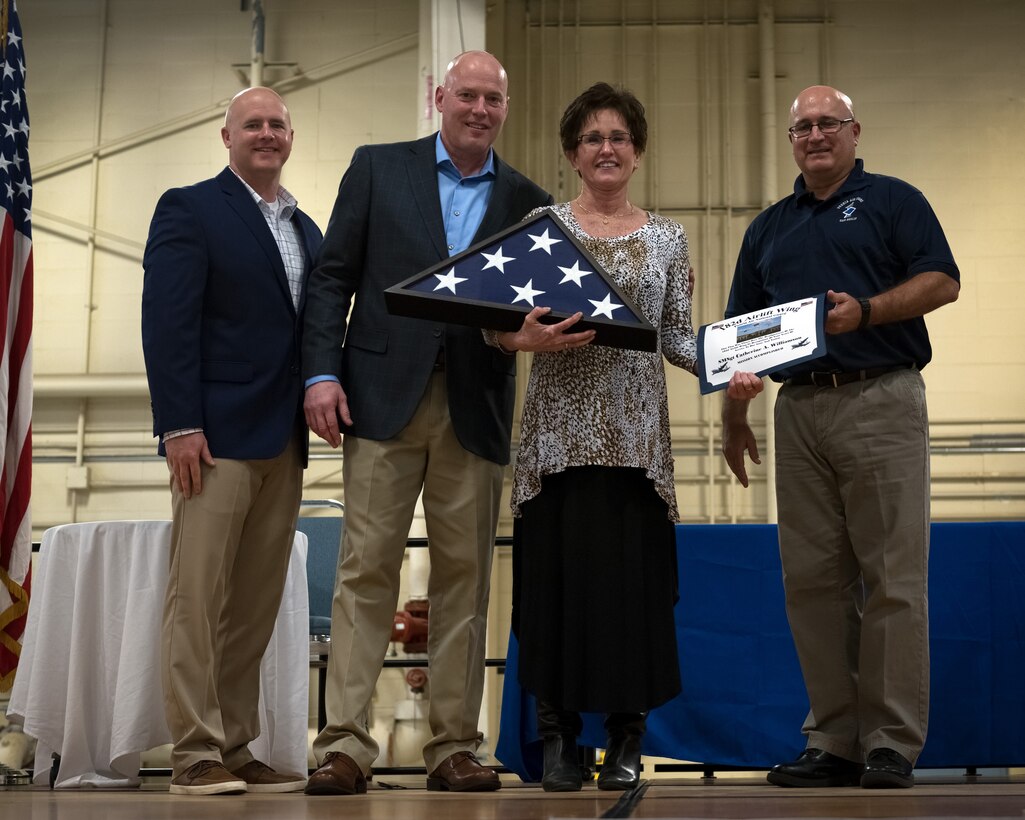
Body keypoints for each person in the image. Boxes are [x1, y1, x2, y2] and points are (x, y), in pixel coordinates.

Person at [488, 82, 763, 792]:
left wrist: (729, 367)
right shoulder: (539, 225)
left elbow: (674, 338)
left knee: (631, 600)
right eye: (591, 139)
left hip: (636, 450)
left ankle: (626, 741)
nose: (605, 148)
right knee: (551, 595)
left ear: (636, 153)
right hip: (554, 447)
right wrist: (520, 339)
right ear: (572, 156)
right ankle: (555, 741)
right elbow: (498, 325)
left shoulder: (669, 237)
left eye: (617, 137)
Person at [301, 51, 556, 795]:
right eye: (467, 95)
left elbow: (527, 309)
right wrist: (321, 373)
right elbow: (333, 278)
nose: (479, 108)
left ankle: (453, 745)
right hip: (378, 398)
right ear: (438, 97)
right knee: (363, 573)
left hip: (473, 406)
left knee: (465, 582)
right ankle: (344, 745)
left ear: (505, 109)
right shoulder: (377, 168)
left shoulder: (529, 201)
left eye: (493, 99)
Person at [721, 85, 960, 790]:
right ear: (789, 140)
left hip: (880, 397)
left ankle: (889, 740)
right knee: (812, 584)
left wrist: (868, 313)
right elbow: (741, 338)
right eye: (802, 127)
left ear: (854, 131)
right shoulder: (767, 228)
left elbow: (942, 282)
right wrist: (734, 416)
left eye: (828, 123)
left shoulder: (893, 201)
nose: (815, 134)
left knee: (892, 580)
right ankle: (833, 738)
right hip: (796, 412)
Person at [141, 87, 322, 796]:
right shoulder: (190, 208)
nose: (267, 133)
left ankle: (237, 743)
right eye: (254, 124)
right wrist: (178, 424)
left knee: (252, 603)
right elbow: (168, 321)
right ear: (226, 136)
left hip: (283, 439)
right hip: (212, 438)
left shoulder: (305, 227)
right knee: (199, 598)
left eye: (278, 124)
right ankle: (194, 753)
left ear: (291, 135)